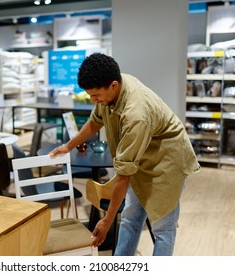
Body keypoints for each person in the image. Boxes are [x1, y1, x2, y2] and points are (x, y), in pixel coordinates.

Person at [49, 52, 200, 256]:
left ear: (113, 85)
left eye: (96, 96)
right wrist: (68, 146)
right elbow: (95, 121)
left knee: (163, 228)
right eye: (89, 95)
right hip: (142, 156)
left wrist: (107, 220)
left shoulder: (136, 114)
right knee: (131, 216)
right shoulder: (112, 90)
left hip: (168, 161)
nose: (93, 101)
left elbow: (122, 177)